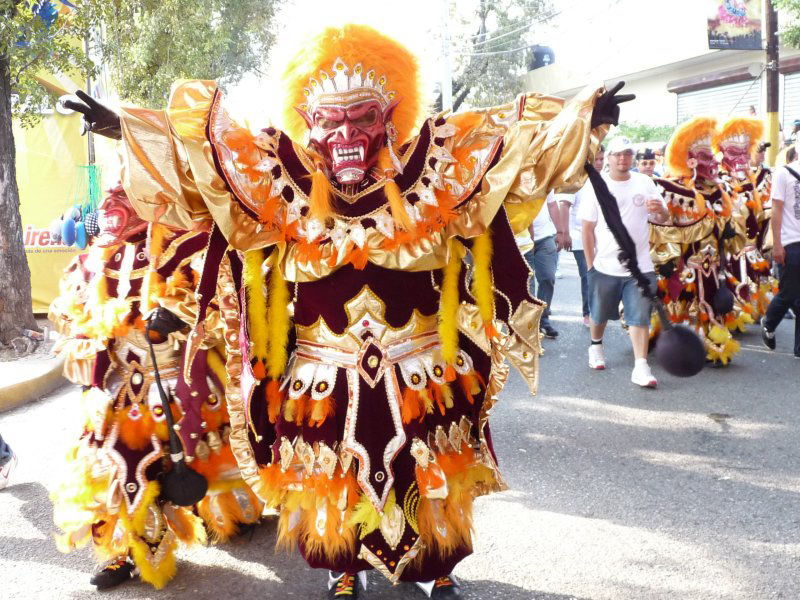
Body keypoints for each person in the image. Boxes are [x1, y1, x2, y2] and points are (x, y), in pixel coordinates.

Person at [64, 24, 629, 598]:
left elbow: (516, 147)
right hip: (318, 371)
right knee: (330, 476)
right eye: (330, 121)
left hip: (422, 366)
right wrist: (130, 127)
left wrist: (584, 116)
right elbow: (202, 157)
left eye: (362, 117)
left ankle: (437, 567)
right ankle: (343, 569)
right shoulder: (272, 180)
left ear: (390, 115)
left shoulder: (439, 169)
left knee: (431, 468)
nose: (346, 134)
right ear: (308, 122)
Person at [49, 186, 264, 590]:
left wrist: (179, 315)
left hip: (179, 376)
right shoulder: (93, 257)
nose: (113, 202)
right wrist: (84, 330)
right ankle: (128, 551)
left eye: (125, 194)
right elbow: (67, 312)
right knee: (116, 463)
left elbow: (225, 300)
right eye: (109, 196)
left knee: (203, 459)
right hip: (116, 386)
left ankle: (218, 511)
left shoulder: (189, 245)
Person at [579, 136, 669, 387]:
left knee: (639, 316)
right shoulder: (595, 186)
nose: (623, 159)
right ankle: (596, 346)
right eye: (618, 154)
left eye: (627, 154)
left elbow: (664, 218)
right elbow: (587, 229)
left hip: (640, 267)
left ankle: (641, 366)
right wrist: (590, 266)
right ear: (608, 158)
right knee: (599, 314)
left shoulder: (645, 182)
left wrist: (660, 210)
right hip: (604, 266)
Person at [650, 117, 739, 365]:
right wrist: (666, 258)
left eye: (711, 157)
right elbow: (663, 226)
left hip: (712, 261)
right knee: (682, 300)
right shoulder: (670, 188)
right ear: (689, 160)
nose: (711, 163)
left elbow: (726, 223)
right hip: (684, 261)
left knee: (711, 297)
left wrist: (726, 230)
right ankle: (680, 345)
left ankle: (712, 343)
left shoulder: (717, 190)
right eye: (704, 157)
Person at [715, 118, 773, 324]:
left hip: (750, 240)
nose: (740, 158)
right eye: (734, 153)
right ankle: (730, 313)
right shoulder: (718, 178)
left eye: (743, 152)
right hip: (726, 243)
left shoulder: (754, 177)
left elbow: (761, 211)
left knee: (749, 274)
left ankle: (746, 311)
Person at [559, 145, 605, 326]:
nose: (599, 163)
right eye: (596, 159)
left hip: (603, 237)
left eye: (602, 159)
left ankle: (599, 310)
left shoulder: (606, 179)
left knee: (602, 275)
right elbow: (564, 205)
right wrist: (564, 233)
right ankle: (589, 313)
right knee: (588, 275)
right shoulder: (577, 181)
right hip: (580, 237)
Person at [761, 154, 800, 357]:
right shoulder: (784, 173)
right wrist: (777, 244)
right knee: (789, 292)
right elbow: (776, 209)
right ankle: (769, 322)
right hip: (791, 242)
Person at [521, 191, 564, 339]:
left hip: (545, 237)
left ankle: (543, 319)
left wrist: (560, 232)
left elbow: (552, 205)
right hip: (523, 240)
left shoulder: (546, 176)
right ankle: (531, 326)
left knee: (547, 278)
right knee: (528, 285)